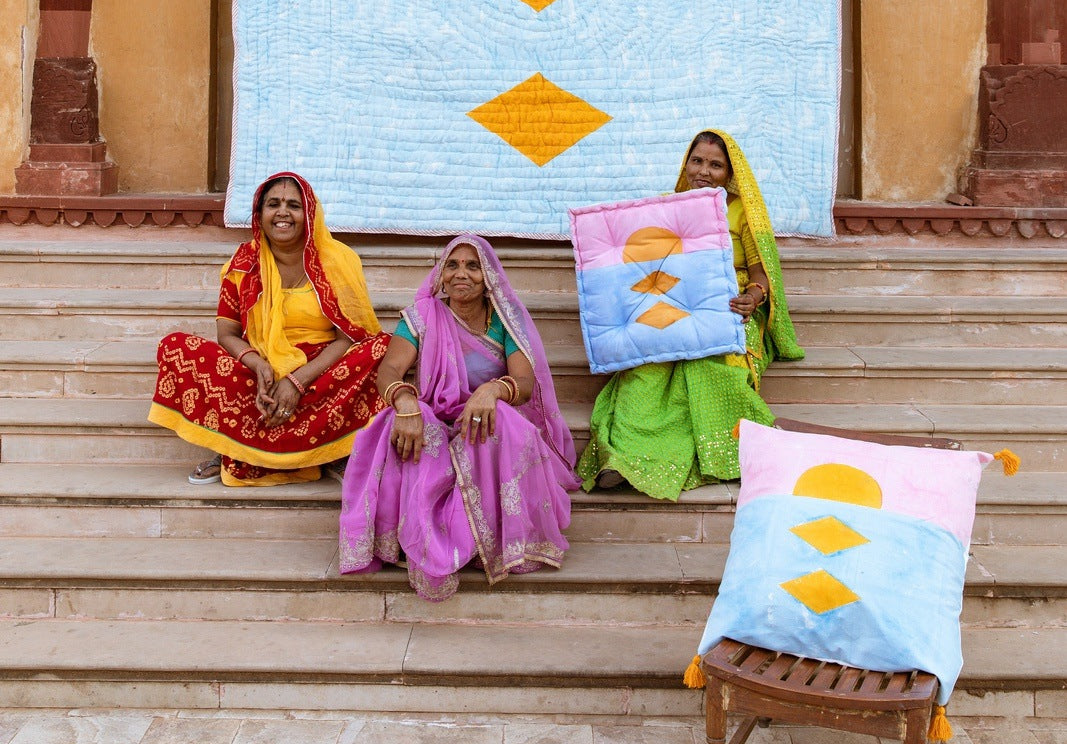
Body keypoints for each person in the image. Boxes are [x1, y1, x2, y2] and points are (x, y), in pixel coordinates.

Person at [339, 234, 577, 601]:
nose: (461, 274)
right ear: (441, 274)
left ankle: (480, 539)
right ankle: (425, 543)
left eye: (472, 266)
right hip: (431, 415)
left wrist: (492, 390)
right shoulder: (422, 316)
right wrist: (405, 403)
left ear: (488, 277)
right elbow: (389, 372)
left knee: (502, 423)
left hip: (479, 420)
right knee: (398, 426)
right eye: (452, 264)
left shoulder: (504, 321)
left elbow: (525, 382)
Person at [577, 129, 803, 497]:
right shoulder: (665, 208)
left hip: (727, 304)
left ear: (730, 174)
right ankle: (624, 459)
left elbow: (763, 274)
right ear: (685, 163)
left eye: (716, 165)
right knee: (647, 367)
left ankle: (728, 453)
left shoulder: (742, 211)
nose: (704, 171)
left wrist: (753, 296)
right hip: (670, 299)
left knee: (708, 367)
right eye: (697, 161)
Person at [149, 172, 389, 486]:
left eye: (293, 205)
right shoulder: (243, 262)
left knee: (383, 347)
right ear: (259, 214)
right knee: (176, 346)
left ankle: (333, 450)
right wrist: (259, 365)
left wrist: (297, 380)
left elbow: (349, 337)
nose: (282, 212)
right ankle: (228, 445)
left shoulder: (338, 261)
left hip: (320, 374)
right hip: (259, 374)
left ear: (309, 214)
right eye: (273, 204)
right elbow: (227, 334)